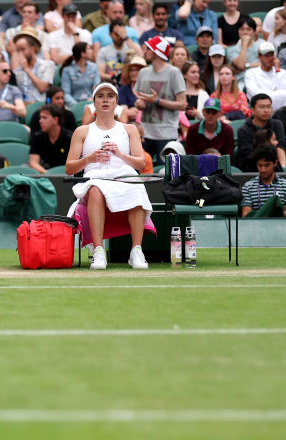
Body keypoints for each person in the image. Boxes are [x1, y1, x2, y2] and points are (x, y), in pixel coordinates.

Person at [65, 82, 154, 270]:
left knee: (137, 188)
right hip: (95, 179)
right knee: (96, 191)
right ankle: (98, 251)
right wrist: (89, 158)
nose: (105, 100)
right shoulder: (83, 131)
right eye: (101, 96)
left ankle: (136, 250)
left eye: (110, 96)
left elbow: (141, 163)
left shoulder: (129, 129)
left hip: (124, 177)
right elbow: (69, 168)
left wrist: (120, 155)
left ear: (116, 102)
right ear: (94, 102)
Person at [135, 36, 185, 161]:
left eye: (148, 49)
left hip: (166, 134)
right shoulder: (143, 72)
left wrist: (157, 101)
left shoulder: (174, 73)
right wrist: (139, 104)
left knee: (165, 175)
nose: (144, 52)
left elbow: (182, 104)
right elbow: (140, 99)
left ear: (156, 52)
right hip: (145, 134)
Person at [241, 144, 286, 216]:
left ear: (275, 163)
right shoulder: (247, 187)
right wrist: (270, 212)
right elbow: (246, 215)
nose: (263, 170)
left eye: (267, 165)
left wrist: (264, 213)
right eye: (260, 165)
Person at [237, 93, 286, 169]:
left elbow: (280, 147)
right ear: (252, 110)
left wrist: (283, 168)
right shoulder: (243, 130)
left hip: (274, 166)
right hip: (250, 169)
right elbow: (247, 154)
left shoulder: (276, 124)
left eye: (269, 107)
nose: (266, 110)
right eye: (262, 107)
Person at [13, 29, 54, 102]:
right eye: (18, 51)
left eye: (23, 49)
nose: (20, 54)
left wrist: (26, 69)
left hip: (42, 107)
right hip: (24, 109)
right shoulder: (17, 72)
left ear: (32, 49)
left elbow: (42, 88)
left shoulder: (47, 65)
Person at [245, 42, 286, 109]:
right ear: (259, 57)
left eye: (271, 55)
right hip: (260, 108)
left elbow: (285, 93)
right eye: (266, 56)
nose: (270, 58)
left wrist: (277, 71)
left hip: (280, 109)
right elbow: (254, 93)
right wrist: (275, 94)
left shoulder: (283, 73)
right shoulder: (250, 73)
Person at [29, 104, 72, 171]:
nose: (40, 121)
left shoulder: (70, 138)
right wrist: (49, 175)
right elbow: (33, 163)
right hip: (43, 175)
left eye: (44, 118)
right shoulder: (37, 137)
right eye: (40, 118)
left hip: (65, 175)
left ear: (55, 120)